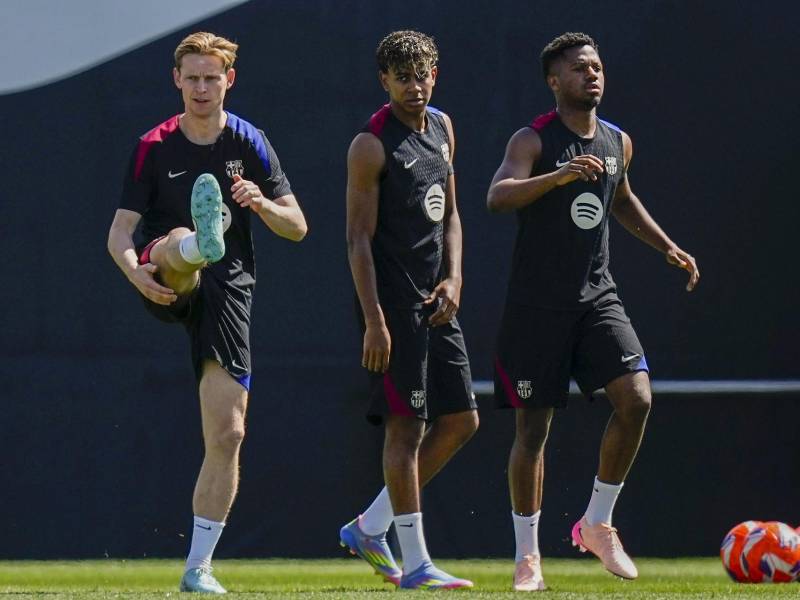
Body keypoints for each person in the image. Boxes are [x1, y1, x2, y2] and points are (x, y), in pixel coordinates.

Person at [486, 32, 699, 591]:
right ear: (554, 81)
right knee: (533, 430)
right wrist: (557, 176)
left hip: (597, 298)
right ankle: (528, 557)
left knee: (637, 398)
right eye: (580, 68)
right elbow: (497, 195)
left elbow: (620, 199)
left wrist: (667, 246)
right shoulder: (533, 138)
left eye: (597, 66)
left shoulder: (617, 142)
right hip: (537, 307)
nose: (592, 74)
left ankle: (597, 522)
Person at [107, 32, 307, 594]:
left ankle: (198, 567)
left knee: (230, 432)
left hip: (229, 288)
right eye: (191, 78)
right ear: (176, 80)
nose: (201, 88)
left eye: (211, 78)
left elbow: (297, 227)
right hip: (163, 274)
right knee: (177, 242)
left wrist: (260, 202)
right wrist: (136, 275)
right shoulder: (153, 145)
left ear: (228, 80)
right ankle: (197, 241)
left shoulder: (250, 140)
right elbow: (119, 234)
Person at [340, 30, 478, 590]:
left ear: (435, 75)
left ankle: (370, 527)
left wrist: (455, 278)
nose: (414, 87)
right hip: (392, 305)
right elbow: (357, 239)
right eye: (402, 78)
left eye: (422, 76)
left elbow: (452, 215)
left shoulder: (443, 127)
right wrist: (374, 320)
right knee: (407, 428)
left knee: (463, 420)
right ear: (384, 81)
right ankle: (417, 564)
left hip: (437, 299)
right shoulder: (371, 144)